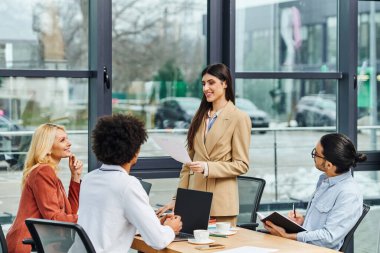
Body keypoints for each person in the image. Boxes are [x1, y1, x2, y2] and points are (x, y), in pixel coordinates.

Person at [157, 63, 252, 226]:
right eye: (203, 84)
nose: (206, 88)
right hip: (194, 202)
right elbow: (187, 165)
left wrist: (207, 168)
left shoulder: (239, 118)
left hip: (221, 206)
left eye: (211, 82)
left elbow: (241, 165)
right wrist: (177, 199)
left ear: (225, 83)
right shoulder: (199, 117)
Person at [75, 114, 182, 252]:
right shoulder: (128, 185)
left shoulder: (89, 179)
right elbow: (158, 241)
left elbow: (109, 225)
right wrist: (170, 229)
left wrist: (152, 224)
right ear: (135, 152)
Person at [264, 133, 365, 250]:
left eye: (316, 154)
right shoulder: (325, 180)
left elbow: (329, 238)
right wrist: (304, 221)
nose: (313, 156)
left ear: (329, 164)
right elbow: (324, 221)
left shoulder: (348, 194)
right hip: (301, 246)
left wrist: (287, 236)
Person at [6, 123, 83, 253]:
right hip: (28, 246)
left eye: (67, 139)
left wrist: (75, 176)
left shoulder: (48, 172)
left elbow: (69, 214)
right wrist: (89, 217)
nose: (69, 143)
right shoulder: (43, 171)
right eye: (62, 140)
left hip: (39, 243)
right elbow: (54, 219)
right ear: (47, 148)